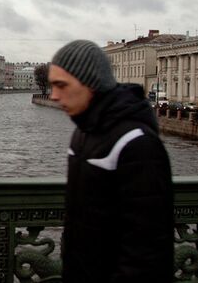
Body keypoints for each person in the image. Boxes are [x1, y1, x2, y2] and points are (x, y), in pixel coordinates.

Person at [48, 40, 174, 282]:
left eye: (61, 85)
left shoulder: (136, 143)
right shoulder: (83, 132)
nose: (53, 96)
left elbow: (147, 250)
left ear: (90, 84)